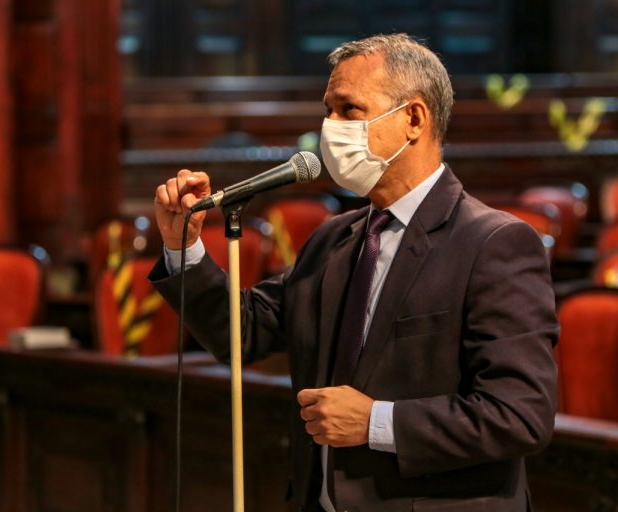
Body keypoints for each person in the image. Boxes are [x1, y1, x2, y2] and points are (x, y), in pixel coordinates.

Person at [150, 33, 558, 512]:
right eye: (327, 110)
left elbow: (520, 415)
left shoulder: (494, 243)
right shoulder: (334, 239)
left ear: (413, 119)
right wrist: (185, 245)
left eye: (348, 110)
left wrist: (376, 423)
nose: (330, 127)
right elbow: (244, 331)